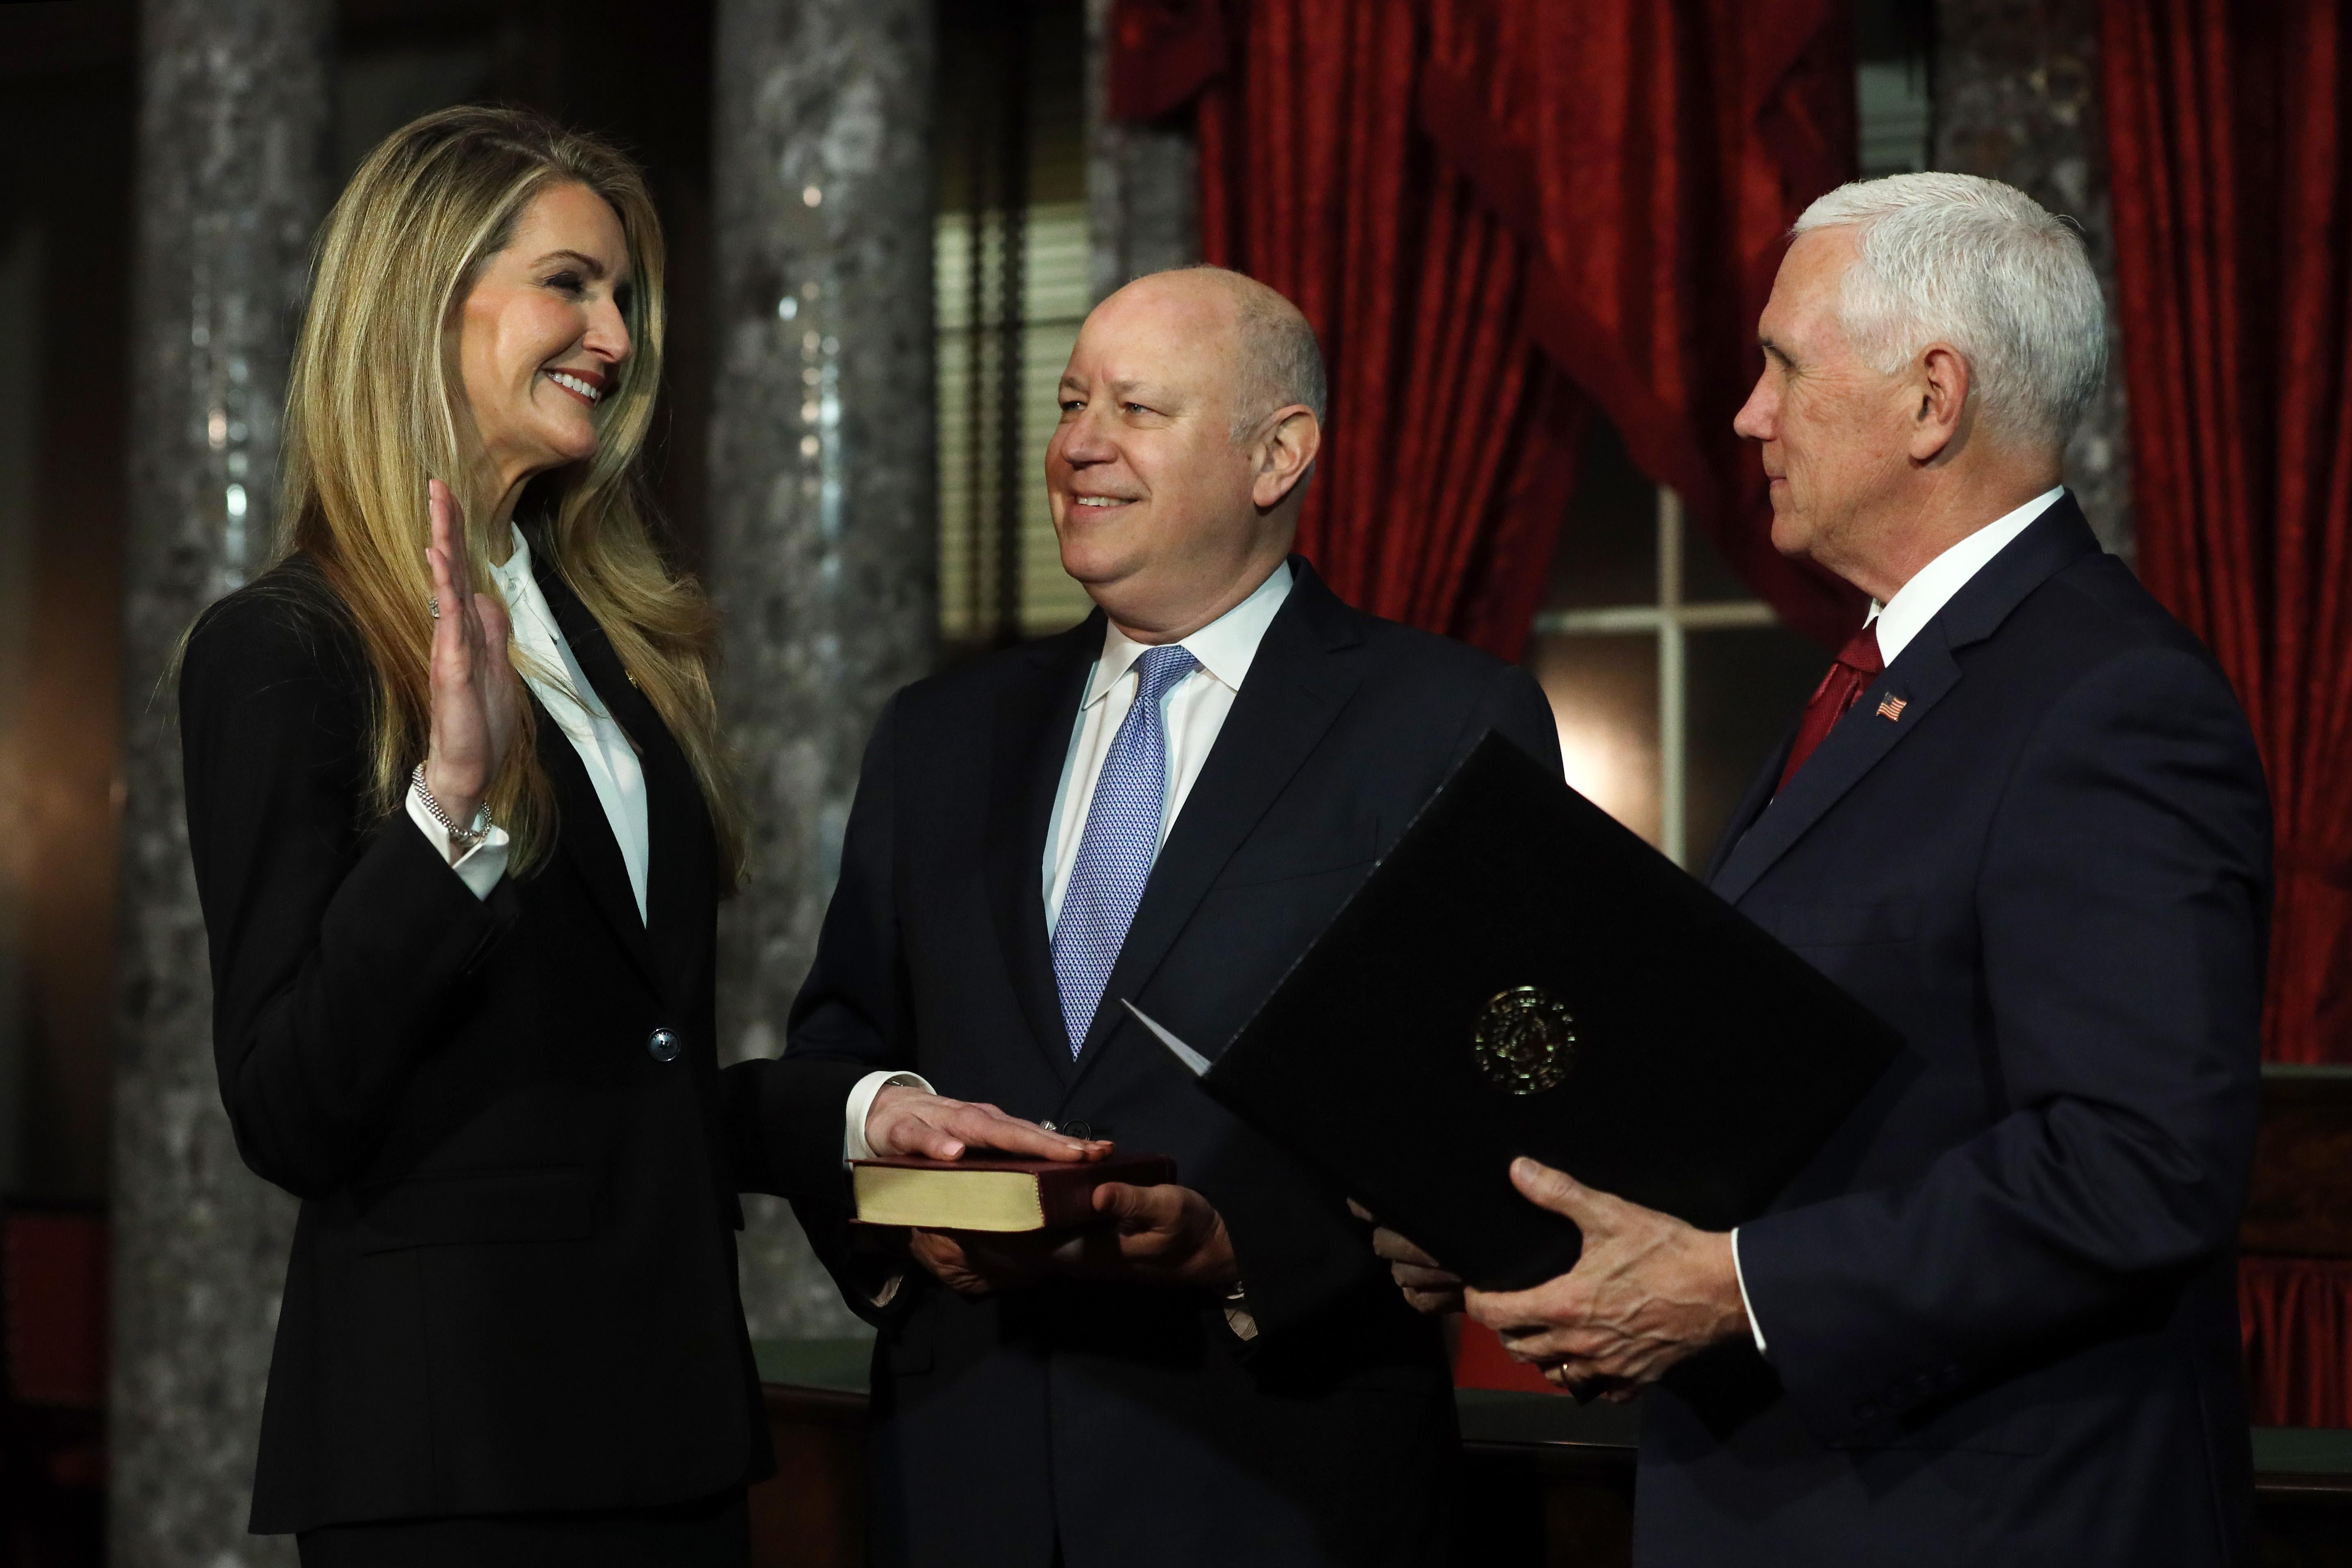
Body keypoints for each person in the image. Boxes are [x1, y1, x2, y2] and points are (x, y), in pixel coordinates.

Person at [178, 105, 1091, 1566]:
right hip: (456, 1456)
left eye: (623, 297)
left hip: (663, 1426)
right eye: (571, 284)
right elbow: (288, 1106)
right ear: (427, 296)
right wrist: (449, 816)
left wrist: (855, 1118)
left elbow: (605, 1078)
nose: (612, 334)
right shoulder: (282, 649)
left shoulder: (613, 645)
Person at [1375, 172, 2273, 1564]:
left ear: (1932, 399)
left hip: (1987, 1520)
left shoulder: (2106, 697)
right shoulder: (1884, 680)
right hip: (1794, 1498)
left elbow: (2136, 1164)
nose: (1748, 413)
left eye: (1783, 365)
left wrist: (1733, 1289)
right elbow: (1799, 1086)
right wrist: (1507, 1220)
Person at [773, 265, 1563, 1567]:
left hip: (1277, 1483)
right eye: (1073, 400)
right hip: (963, 1475)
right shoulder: (938, 737)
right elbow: (837, 1057)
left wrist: (1240, 1248)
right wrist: (906, 1219)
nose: (1078, 444)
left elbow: (1491, 1118)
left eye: (1135, 408)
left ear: (1277, 455)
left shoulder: (1443, 722)